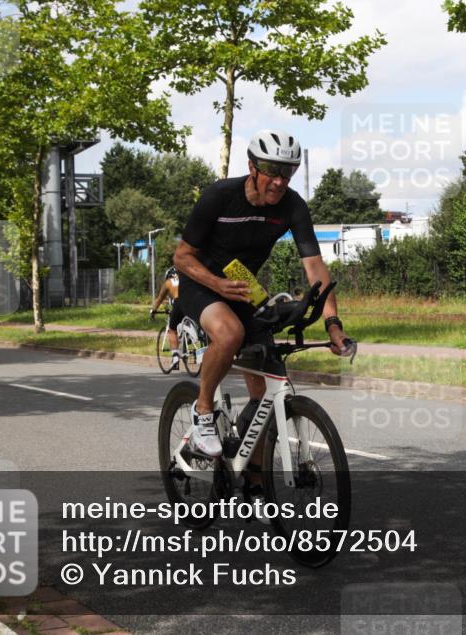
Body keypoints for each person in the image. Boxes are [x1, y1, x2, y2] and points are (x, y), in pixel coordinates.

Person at [173, 128, 353, 457]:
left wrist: (333, 324)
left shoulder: (293, 206)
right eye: (272, 171)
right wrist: (217, 284)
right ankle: (203, 414)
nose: (280, 181)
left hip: (244, 287)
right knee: (229, 334)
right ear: (253, 167)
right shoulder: (220, 196)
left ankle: (255, 488)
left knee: (265, 399)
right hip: (201, 281)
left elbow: (315, 267)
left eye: (288, 172)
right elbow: (181, 257)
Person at [151, 267, 184, 369]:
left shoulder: (169, 282)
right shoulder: (186, 279)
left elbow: (160, 298)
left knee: (172, 329)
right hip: (194, 303)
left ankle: (175, 358)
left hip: (180, 303)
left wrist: (153, 311)